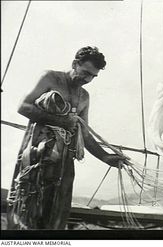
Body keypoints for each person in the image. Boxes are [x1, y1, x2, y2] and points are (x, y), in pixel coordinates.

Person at [7, 46, 126, 230]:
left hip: (64, 164)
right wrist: (61, 121)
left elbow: (84, 133)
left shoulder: (84, 96)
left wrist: (106, 157)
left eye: (92, 76)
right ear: (74, 64)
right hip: (36, 157)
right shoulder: (50, 78)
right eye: (85, 73)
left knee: (56, 215)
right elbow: (23, 106)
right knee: (27, 210)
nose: (87, 79)